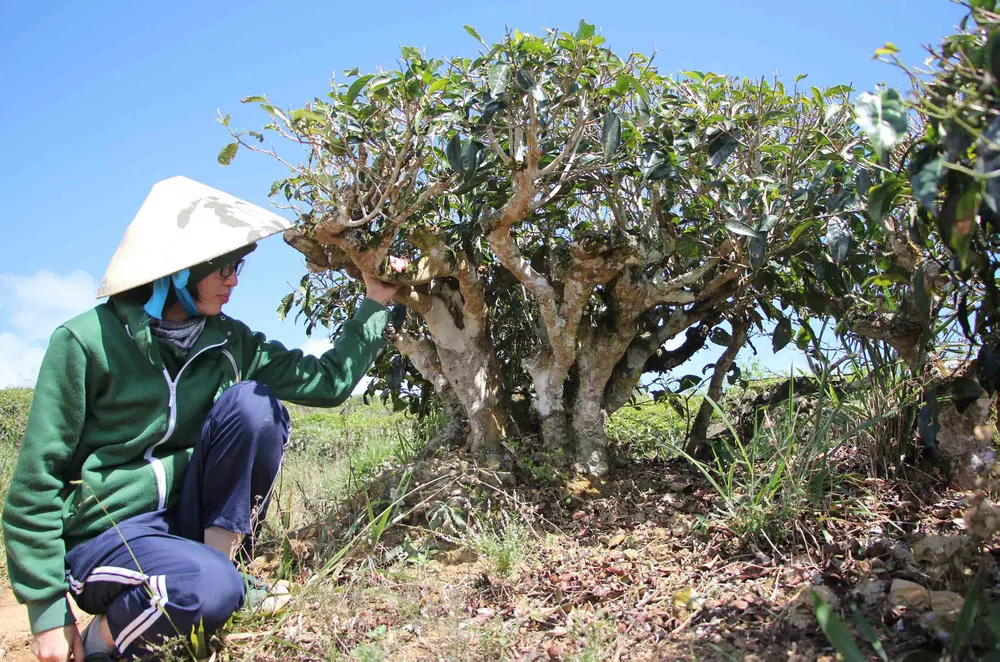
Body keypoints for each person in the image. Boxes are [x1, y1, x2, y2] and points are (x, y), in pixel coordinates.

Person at [2, 176, 405, 661]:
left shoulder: (232, 341)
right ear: (178, 272)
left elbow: (328, 382)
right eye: (225, 267)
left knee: (253, 403)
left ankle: (220, 569)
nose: (235, 279)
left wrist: (375, 302)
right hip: (108, 538)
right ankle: (100, 641)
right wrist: (47, 613)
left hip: (187, 522)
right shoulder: (84, 342)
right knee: (205, 592)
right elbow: (34, 483)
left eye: (238, 267)